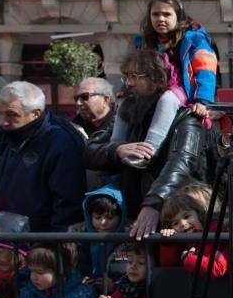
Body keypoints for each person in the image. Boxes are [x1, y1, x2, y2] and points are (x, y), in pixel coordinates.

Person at [85, 48, 209, 240]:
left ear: (155, 78)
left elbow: (181, 163)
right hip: (135, 216)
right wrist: (116, 150)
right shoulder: (129, 110)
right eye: (126, 76)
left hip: (178, 218)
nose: (128, 83)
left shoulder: (186, 117)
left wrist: (153, 204)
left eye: (135, 76)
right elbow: (90, 151)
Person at [115, 0, 216, 168]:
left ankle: (149, 151)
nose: (161, 19)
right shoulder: (144, 42)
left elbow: (205, 69)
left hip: (181, 88)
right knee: (125, 101)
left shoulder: (195, 40)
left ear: (178, 16)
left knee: (168, 99)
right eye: (156, 14)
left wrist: (202, 100)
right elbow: (135, 70)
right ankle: (115, 145)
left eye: (167, 14)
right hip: (153, 89)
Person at [0, 81, 86, 233]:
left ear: (36, 113)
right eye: (0, 114)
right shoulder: (6, 136)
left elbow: (67, 202)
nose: (4, 122)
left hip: (41, 242)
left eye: (11, 115)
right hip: (7, 237)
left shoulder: (60, 141)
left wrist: (54, 246)